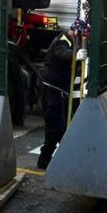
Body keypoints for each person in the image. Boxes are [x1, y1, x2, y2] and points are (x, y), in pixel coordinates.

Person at [37, 18, 88, 170]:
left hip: (61, 90)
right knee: (55, 125)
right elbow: (62, 53)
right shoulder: (61, 41)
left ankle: (62, 156)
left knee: (64, 125)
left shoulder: (72, 42)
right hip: (52, 89)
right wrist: (76, 55)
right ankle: (44, 160)